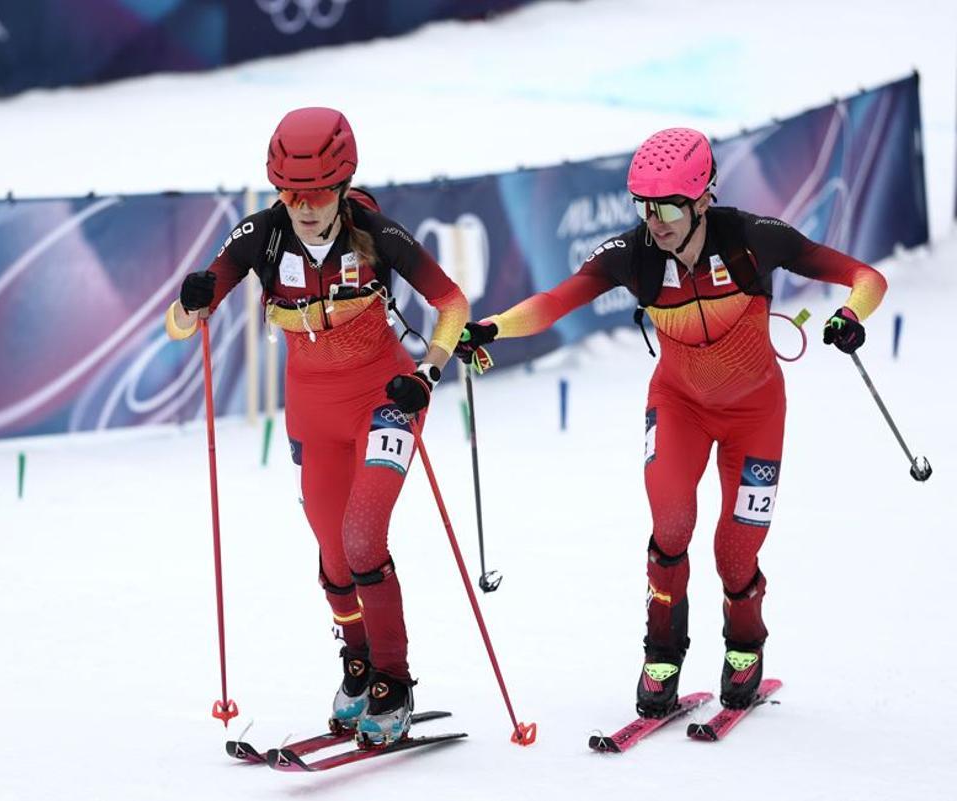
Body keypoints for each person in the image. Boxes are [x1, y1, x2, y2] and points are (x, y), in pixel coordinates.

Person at [456, 128, 886, 717]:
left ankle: (745, 647)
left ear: (702, 198)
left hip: (756, 414)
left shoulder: (753, 240)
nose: (653, 220)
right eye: (643, 205)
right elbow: (556, 301)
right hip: (679, 406)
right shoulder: (633, 255)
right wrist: (492, 327)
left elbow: (867, 277)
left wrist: (849, 316)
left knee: (736, 552)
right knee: (672, 524)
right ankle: (661, 654)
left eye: (666, 207)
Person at [166, 107, 469, 743]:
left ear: (343, 185)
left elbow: (452, 303)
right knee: (334, 559)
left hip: (385, 398)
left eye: (320, 193)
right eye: (292, 193)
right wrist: (189, 303)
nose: (305, 207)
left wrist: (429, 373)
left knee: (363, 539)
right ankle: (357, 666)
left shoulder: (376, 233)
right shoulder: (261, 235)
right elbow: (184, 320)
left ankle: (393, 681)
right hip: (311, 408)